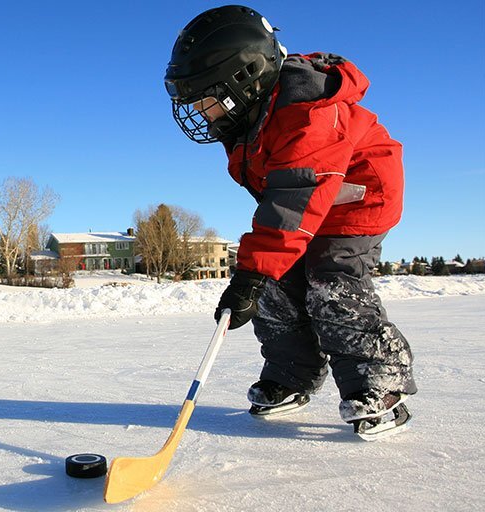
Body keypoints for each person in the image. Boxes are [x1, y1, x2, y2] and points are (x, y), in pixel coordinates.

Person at [164, 5, 415, 438]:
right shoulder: (250, 122)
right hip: (305, 202)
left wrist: (251, 273)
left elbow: (291, 200)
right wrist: (261, 275)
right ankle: (293, 374)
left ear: (247, 78)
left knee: (330, 281)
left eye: (210, 100)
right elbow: (284, 203)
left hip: (357, 199)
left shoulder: (306, 115)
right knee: (275, 286)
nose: (204, 113)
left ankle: (380, 384)